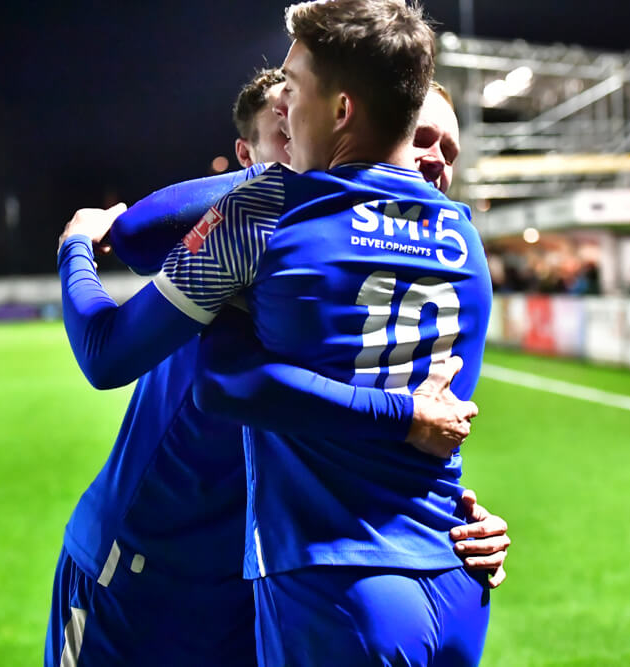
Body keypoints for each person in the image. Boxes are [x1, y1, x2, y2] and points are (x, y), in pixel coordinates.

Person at [56, 1, 494, 660]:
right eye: (416, 137)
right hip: (161, 568)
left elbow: (212, 375)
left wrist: (74, 247)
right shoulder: (458, 241)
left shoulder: (266, 221)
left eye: (439, 146)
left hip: (303, 581)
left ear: (346, 111)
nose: (425, 161)